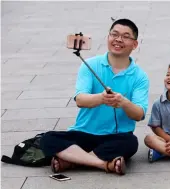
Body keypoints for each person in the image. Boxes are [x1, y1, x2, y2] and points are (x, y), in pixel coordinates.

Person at [40, 19, 149, 175]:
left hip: (116, 137)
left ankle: (72, 161)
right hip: (83, 133)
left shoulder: (140, 76)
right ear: (108, 37)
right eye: (114, 34)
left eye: (125, 36)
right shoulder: (90, 64)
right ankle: (103, 164)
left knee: (131, 143)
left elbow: (139, 114)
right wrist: (101, 98)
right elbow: (80, 100)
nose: (118, 39)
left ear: (135, 44)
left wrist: (123, 102)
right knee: (48, 139)